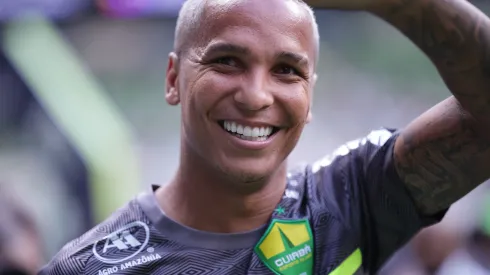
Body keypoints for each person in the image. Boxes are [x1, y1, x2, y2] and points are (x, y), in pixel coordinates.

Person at [39, 0, 490, 274]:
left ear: (309, 97)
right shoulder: (89, 267)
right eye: (227, 62)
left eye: (286, 71)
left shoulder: (348, 201)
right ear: (173, 79)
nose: (256, 96)